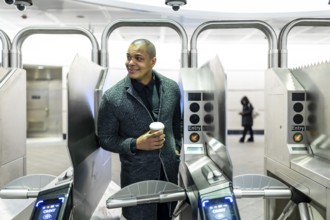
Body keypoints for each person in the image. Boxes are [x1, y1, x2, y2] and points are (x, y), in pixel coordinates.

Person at [97, 39, 182, 220]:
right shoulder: (113, 98)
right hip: (136, 176)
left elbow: (176, 123)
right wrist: (136, 144)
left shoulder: (171, 88)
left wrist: (176, 149)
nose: (130, 63)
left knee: (167, 215)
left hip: (168, 172)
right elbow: (105, 138)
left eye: (138, 58)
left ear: (153, 61)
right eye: (128, 57)